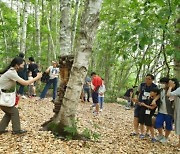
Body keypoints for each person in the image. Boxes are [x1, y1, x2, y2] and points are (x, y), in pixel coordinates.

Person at [0, 57, 42, 135]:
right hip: (1, 95)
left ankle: (1, 129)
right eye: (22, 65)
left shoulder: (13, 72)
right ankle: (16, 130)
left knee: (9, 112)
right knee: (14, 111)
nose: (23, 67)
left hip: (2, 95)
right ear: (17, 65)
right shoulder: (11, 73)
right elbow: (25, 83)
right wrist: (36, 77)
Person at [155, 77, 174, 143]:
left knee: (168, 125)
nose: (162, 84)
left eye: (163, 83)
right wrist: (154, 100)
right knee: (157, 123)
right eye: (161, 83)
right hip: (161, 111)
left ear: (167, 84)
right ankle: (160, 135)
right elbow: (159, 96)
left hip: (169, 112)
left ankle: (166, 137)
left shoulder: (171, 90)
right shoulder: (160, 90)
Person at [167, 78, 180, 147]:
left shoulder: (179, 89)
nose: (169, 84)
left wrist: (170, 87)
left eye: (170, 83)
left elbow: (168, 94)